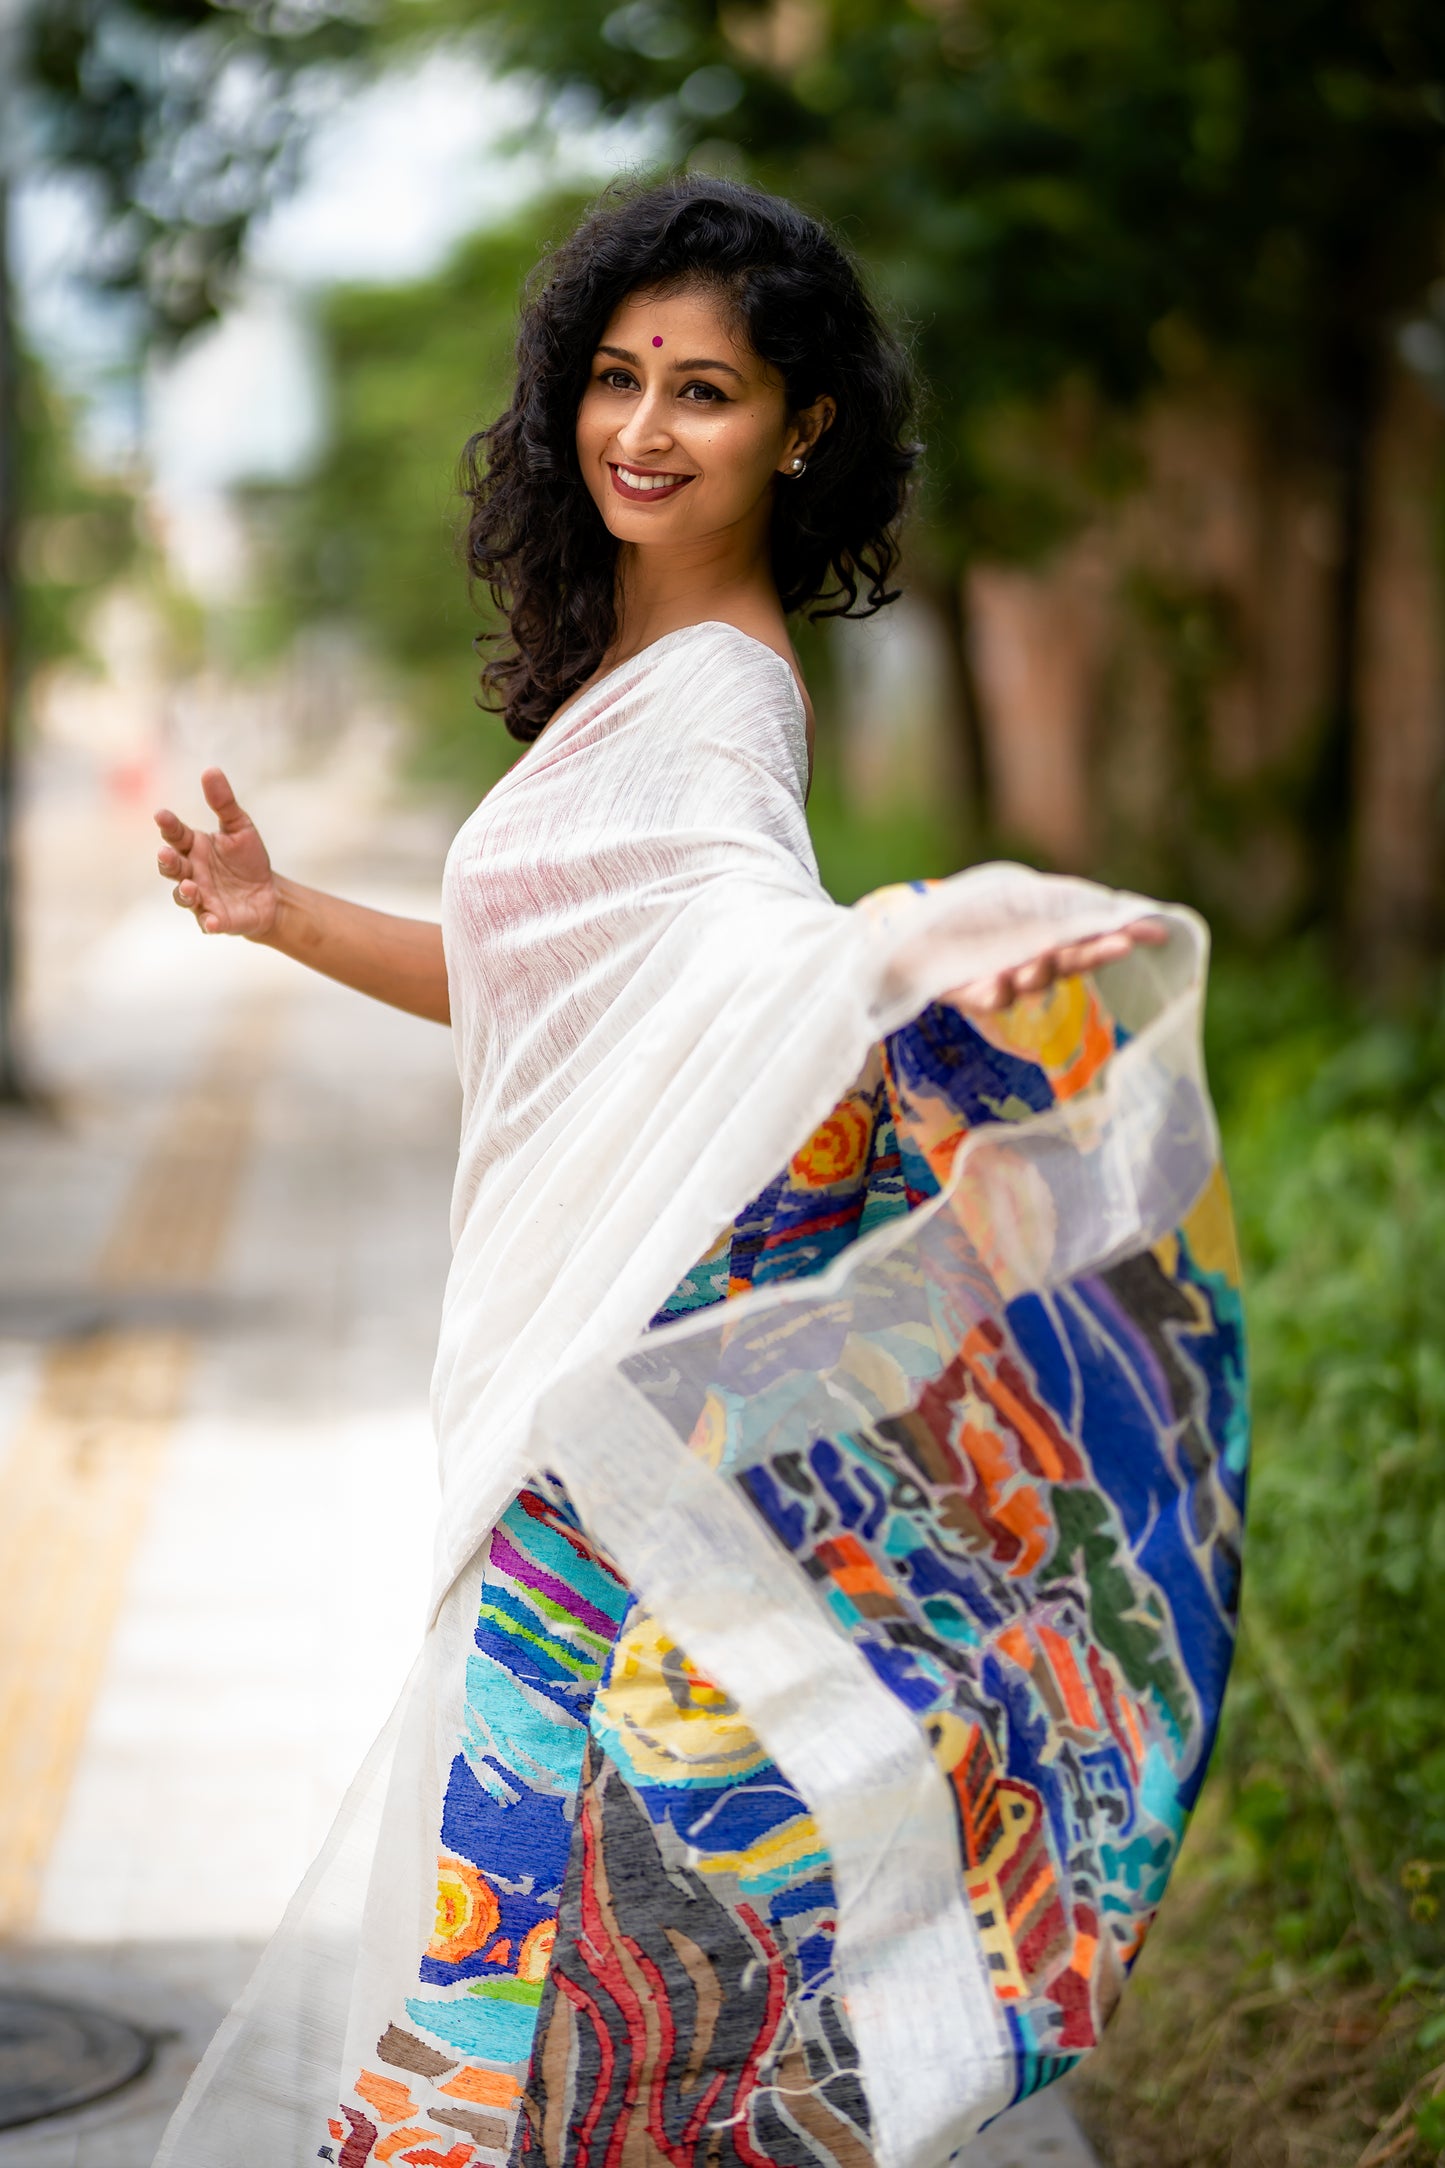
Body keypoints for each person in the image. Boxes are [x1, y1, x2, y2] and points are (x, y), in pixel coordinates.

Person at [152, 177, 1247, 2168]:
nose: (642, 428)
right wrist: (280, 911)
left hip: (625, 1385)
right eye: (616, 378)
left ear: (798, 427)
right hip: (576, 1362)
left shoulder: (727, 694)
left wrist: (922, 948)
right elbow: (555, 995)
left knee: (547, 1893)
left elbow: (768, 950)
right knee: (563, 1905)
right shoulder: (624, 673)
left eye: (707, 391)